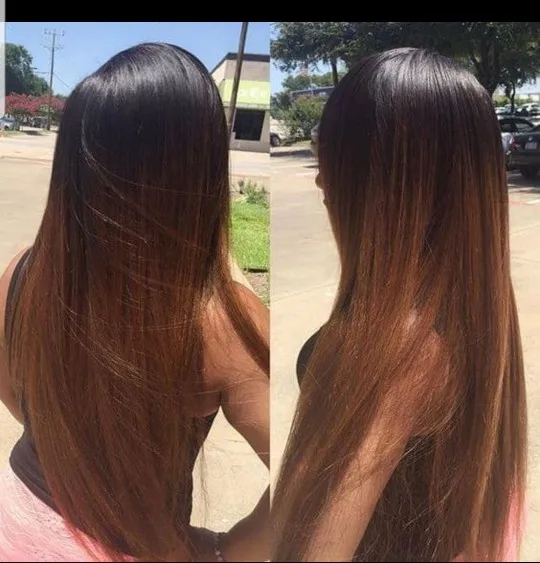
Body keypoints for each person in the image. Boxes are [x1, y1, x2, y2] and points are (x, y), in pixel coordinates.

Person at [0, 42, 269, 562]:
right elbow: (307, 480)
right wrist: (226, 549)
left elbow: (14, 393)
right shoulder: (220, 321)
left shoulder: (22, 272)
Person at [271, 48, 527, 562]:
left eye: (333, 155)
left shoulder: (396, 348)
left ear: (379, 179)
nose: (320, 179)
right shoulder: (471, 311)